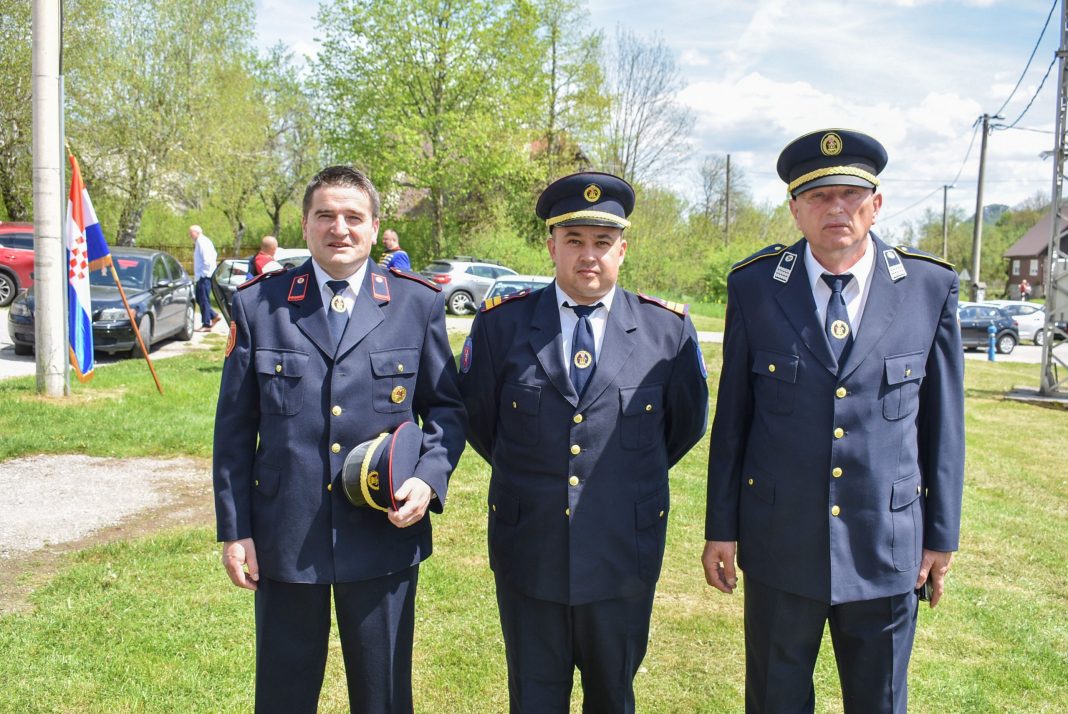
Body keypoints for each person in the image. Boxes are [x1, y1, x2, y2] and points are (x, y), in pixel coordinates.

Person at [702, 129, 965, 713]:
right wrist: (721, 527)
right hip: (780, 542)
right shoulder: (754, 287)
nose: (837, 208)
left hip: (887, 546)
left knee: (879, 702)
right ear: (795, 210)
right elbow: (733, 422)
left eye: (851, 194)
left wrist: (941, 536)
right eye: (819, 196)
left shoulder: (929, 287)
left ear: (877, 203)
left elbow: (944, 428)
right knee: (775, 700)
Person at [212, 165, 466, 713]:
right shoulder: (259, 306)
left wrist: (428, 479)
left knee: (384, 696)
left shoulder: (416, 304)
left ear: (375, 227)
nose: (340, 228)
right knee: (283, 696)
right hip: (285, 534)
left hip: (382, 531)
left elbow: (447, 408)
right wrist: (236, 531)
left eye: (354, 216)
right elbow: (233, 430)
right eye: (325, 215)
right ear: (305, 225)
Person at [459, 171, 709, 712]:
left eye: (602, 241)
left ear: (623, 249)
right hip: (530, 549)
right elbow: (479, 422)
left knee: (613, 696)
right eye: (574, 240)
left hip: (622, 552)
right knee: (533, 699)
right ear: (552, 246)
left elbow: (685, 426)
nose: (588, 255)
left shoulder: (666, 331)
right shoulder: (501, 327)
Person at [190, 224, 221, 331]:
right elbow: (214, 254)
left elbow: (207, 259)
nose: (190, 235)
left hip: (204, 275)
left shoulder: (201, 241)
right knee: (200, 298)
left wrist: (204, 273)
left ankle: (206, 324)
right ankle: (213, 316)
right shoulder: (204, 241)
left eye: (191, 232)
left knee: (203, 298)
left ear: (197, 232)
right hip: (203, 275)